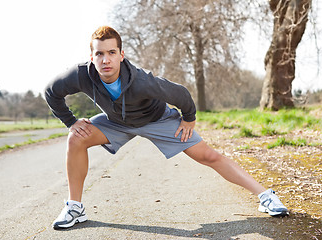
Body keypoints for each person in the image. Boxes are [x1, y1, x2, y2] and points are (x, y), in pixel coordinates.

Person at [45, 26, 289, 229]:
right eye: (99, 54)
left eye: (111, 52)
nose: (105, 59)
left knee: (207, 155)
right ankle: (75, 207)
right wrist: (71, 122)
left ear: (121, 54)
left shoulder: (142, 82)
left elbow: (181, 94)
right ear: (92, 57)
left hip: (157, 120)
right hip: (116, 122)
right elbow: (51, 92)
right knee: (75, 138)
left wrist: (188, 119)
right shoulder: (81, 76)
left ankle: (265, 195)